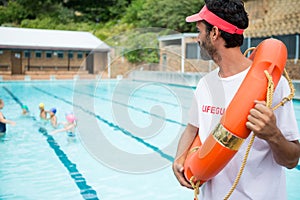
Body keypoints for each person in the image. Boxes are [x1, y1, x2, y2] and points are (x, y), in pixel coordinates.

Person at [172, 1, 300, 200]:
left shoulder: (272, 84)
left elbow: (292, 160)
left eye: (199, 31)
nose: (197, 39)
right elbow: (192, 129)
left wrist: (273, 135)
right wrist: (178, 160)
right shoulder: (205, 84)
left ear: (214, 33)